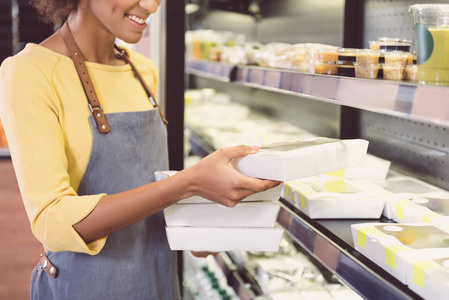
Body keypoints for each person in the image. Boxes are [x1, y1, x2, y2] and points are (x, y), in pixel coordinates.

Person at [0, 0, 280, 299]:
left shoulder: (143, 71)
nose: (151, 5)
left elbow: (148, 189)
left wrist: (193, 224)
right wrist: (188, 183)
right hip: (84, 288)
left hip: (159, 283)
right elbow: (52, 221)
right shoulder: (30, 73)